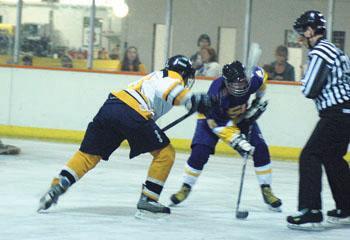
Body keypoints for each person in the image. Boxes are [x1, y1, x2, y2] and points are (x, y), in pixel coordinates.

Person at [38, 55, 213, 217]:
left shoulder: (153, 77)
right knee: (165, 154)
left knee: (90, 154)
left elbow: (160, 101)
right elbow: (170, 90)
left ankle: (60, 182)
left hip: (111, 106)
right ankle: (149, 199)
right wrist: (192, 99)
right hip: (132, 111)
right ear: (183, 73)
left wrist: (192, 102)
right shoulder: (171, 76)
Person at [170, 61, 282, 211]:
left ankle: (266, 189)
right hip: (212, 120)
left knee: (260, 148)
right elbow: (217, 125)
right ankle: (185, 187)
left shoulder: (254, 78)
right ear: (226, 82)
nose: (240, 87)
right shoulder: (216, 93)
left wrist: (257, 100)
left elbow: (262, 83)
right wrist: (238, 142)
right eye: (235, 84)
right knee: (200, 152)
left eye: (243, 82)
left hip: (241, 116)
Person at [286, 10, 350, 230]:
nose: (300, 38)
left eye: (301, 32)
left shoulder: (320, 51)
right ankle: (347, 208)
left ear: (311, 30)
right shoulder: (334, 50)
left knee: (309, 155)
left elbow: (310, 89)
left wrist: (305, 78)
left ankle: (311, 211)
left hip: (335, 113)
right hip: (346, 114)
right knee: (333, 157)